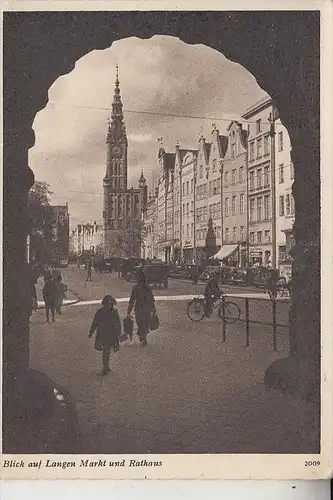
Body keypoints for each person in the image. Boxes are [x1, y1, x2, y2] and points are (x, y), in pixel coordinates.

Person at [89, 295, 121, 375]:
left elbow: (118, 324)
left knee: (107, 351)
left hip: (108, 334)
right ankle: (106, 367)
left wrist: (91, 332)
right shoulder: (108, 312)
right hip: (105, 334)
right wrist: (91, 332)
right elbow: (95, 323)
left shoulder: (104, 311)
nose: (109, 306)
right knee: (106, 351)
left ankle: (106, 366)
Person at [127, 270, 156, 346]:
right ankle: (144, 336)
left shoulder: (135, 288)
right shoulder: (148, 288)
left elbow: (132, 300)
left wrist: (129, 311)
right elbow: (151, 299)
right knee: (145, 323)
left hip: (139, 307)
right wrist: (153, 308)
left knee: (140, 323)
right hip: (147, 307)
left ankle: (142, 336)